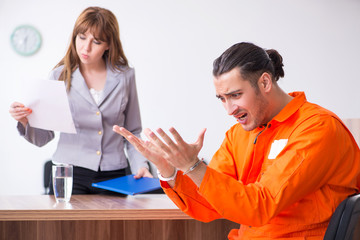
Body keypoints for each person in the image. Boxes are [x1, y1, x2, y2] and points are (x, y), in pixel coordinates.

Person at [113, 42, 360, 239]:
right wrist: (170, 172)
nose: (229, 109)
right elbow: (210, 205)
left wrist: (193, 166)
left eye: (235, 95)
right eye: (221, 98)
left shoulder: (317, 129)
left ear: (265, 82)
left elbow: (260, 205)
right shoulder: (239, 134)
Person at [9, 6, 153, 195]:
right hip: (69, 171)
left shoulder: (125, 76)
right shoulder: (59, 75)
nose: (86, 47)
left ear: (108, 44)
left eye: (97, 41)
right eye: (82, 37)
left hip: (114, 173)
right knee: (66, 225)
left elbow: (132, 131)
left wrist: (140, 165)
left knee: (111, 226)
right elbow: (45, 136)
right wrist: (25, 121)